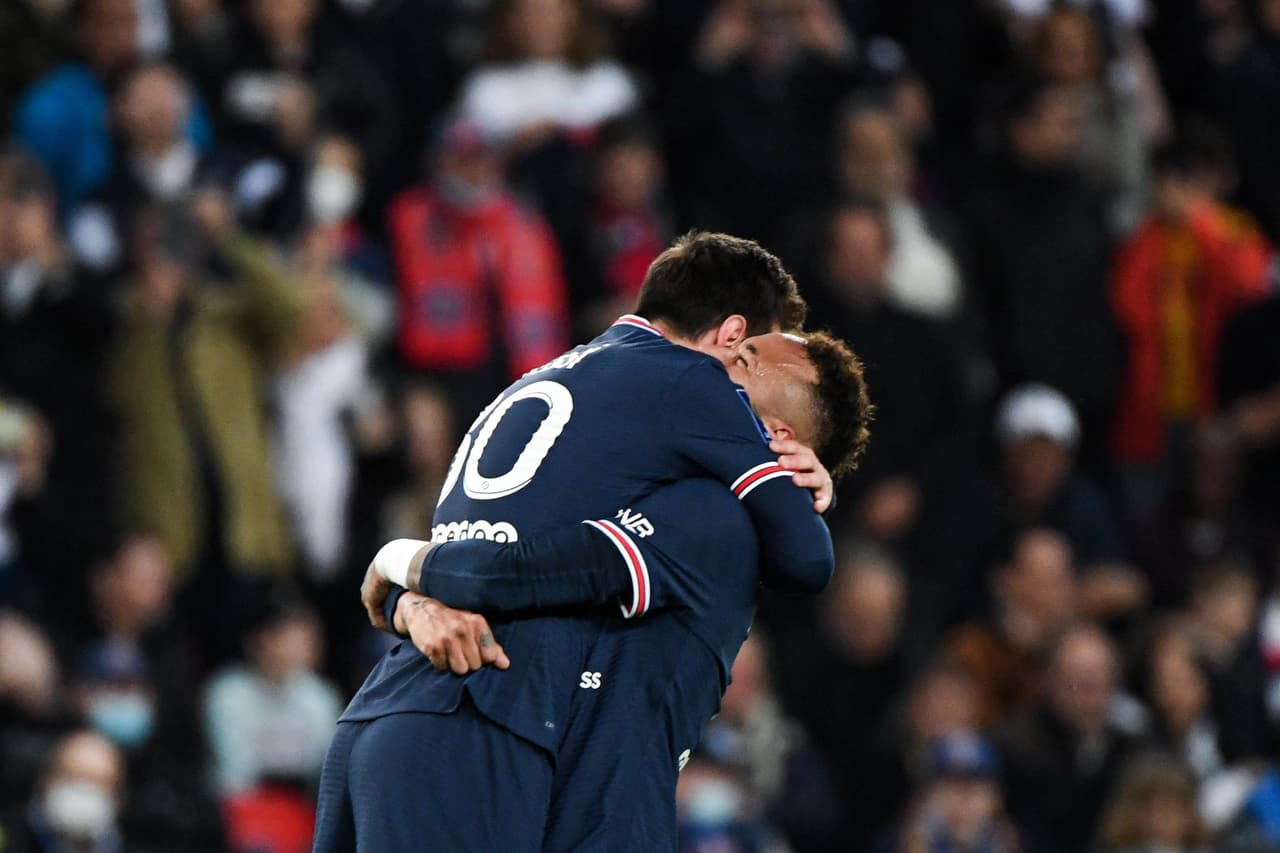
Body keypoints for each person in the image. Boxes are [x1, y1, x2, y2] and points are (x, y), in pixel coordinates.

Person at [315, 232, 859, 851]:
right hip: (483, 717)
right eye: (748, 349)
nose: (737, 370)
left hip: (387, 706)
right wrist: (805, 491)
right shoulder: (702, 454)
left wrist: (398, 582)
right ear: (729, 334)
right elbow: (807, 558)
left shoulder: (541, 383)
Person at [386, 116, 571, 419]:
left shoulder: (528, 226)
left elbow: (551, 317)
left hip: (516, 375)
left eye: (482, 159)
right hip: (436, 373)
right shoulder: (409, 218)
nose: (474, 171)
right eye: (462, 160)